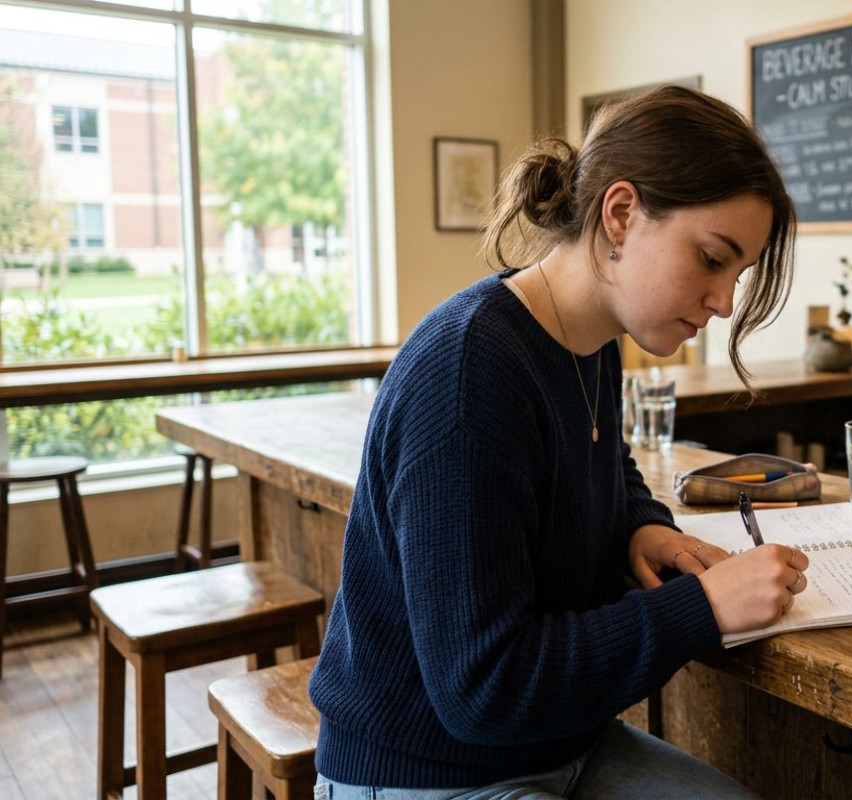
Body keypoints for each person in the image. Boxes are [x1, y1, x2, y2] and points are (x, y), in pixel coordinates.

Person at [308, 85, 809, 798]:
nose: (725, 301)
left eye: (739, 274)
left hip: (562, 746)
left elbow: (606, 458)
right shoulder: (469, 372)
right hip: (434, 773)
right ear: (622, 215)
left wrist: (641, 524)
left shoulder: (591, 338)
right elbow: (483, 687)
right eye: (710, 258)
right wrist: (700, 608)